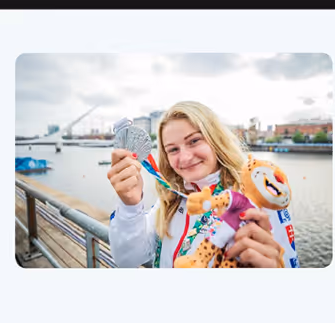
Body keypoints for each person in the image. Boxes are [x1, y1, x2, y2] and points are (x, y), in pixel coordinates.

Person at [107, 100, 290, 270]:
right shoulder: (171, 200)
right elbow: (127, 259)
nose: (185, 157)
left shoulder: (257, 199)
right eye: (173, 149)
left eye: (194, 141)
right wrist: (129, 204)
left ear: (215, 140)